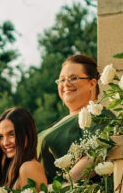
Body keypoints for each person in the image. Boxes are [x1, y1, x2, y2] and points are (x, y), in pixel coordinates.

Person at [38, 54, 99, 183]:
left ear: (92, 83)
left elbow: (96, 155)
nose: (66, 84)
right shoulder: (62, 121)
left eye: (73, 78)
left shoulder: (98, 116)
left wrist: (61, 189)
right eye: (61, 80)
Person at [0, 107, 47, 193]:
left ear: (28, 135)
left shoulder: (29, 168)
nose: (5, 143)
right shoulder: (9, 170)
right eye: (1, 136)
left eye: (12, 134)